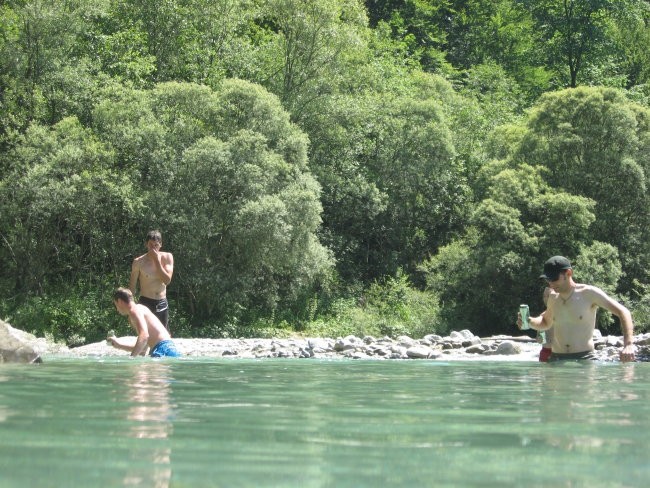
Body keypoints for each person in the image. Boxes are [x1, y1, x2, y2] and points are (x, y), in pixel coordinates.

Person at [518, 256, 635, 362]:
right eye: (548, 280)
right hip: (556, 359)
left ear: (568, 273)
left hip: (585, 358)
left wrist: (628, 344)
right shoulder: (553, 297)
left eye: (554, 279)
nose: (550, 284)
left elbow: (623, 312)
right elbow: (546, 323)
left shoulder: (588, 293)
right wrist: (529, 321)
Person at [109, 288, 181, 357]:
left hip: (162, 348)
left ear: (119, 301)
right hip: (168, 347)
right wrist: (119, 345)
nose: (117, 310)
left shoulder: (134, 311)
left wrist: (131, 359)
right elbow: (142, 350)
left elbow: (144, 336)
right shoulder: (140, 308)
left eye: (116, 306)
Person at [129, 230, 174, 330]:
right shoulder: (138, 262)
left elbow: (167, 280)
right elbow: (132, 286)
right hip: (145, 301)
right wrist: (131, 306)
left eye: (156, 245)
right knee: (145, 333)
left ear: (161, 244)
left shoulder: (167, 257)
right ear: (146, 244)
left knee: (163, 334)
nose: (153, 248)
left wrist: (157, 260)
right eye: (150, 245)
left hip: (161, 302)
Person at [537, 286, 553, 362]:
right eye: (544, 296)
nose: (545, 298)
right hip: (545, 352)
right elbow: (540, 340)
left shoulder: (563, 314)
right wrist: (540, 330)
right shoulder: (542, 316)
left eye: (548, 296)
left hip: (559, 353)